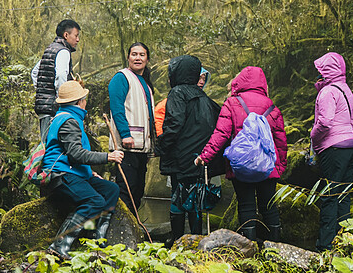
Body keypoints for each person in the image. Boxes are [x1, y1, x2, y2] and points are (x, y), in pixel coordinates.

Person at [196, 66, 288, 243]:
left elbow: (221, 134)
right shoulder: (272, 107)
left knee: (245, 204)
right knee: (269, 206)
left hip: (241, 164)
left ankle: (249, 247)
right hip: (268, 166)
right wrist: (281, 165)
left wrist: (205, 155)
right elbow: (281, 140)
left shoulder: (232, 103)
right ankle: (276, 248)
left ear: (240, 81)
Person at [42, 80, 125, 260]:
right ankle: (59, 245)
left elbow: (72, 154)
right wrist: (108, 156)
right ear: (80, 101)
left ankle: (98, 238)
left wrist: (89, 172)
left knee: (111, 189)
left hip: (73, 171)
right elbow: (76, 155)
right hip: (61, 174)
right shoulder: (69, 121)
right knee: (94, 201)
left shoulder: (67, 117)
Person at [158, 56, 220, 244]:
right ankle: (197, 239)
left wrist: (160, 146)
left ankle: (177, 239)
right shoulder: (204, 97)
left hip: (181, 157)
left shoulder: (177, 93)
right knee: (195, 198)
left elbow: (174, 125)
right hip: (199, 158)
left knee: (178, 197)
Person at [311, 52, 353, 252]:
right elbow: (352, 121)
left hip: (333, 148)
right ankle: (344, 241)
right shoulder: (346, 90)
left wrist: (313, 137)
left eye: (321, 71)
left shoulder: (328, 92)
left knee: (329, 195)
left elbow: (325, 121)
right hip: (351, 146)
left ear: (328, 71)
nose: (319, 75)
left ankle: (326, 244)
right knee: (344, 195)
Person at [108, 42, 155, 212]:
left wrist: (151, 146)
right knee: (126, 189)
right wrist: (125, 134)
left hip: (141, 147)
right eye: (134, 54)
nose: (138, 58)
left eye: (142, 55)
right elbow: (117, 108)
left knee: (138, 191)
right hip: (127, 145)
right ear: (128, 57)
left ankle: (134, 227)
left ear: (147, 59)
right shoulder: (121, 77)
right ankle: (122, 230)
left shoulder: (145, 82)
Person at [32, 20, 82, 141]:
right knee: (52, 145)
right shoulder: (63, 51)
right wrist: (64, 99)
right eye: (76, 35)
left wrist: (42, 91)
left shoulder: (50, 49)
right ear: (66, 35)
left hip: (44, 107)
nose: (78, 40)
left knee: (45, 143)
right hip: (53, 109)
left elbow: (34, 72)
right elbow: (60, 75)